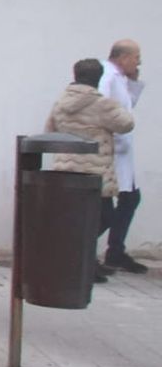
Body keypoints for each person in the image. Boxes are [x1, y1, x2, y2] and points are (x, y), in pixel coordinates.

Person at [46, 58, 134, 284]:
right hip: (93, 171)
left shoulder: (61, 102)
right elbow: (126, 124)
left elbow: (49, 129)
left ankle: (81, 261)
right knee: (104, 217)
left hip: (65, 170)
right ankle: (74, 255)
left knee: (77, 218)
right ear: (97, 78)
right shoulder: (102, 104)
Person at [99, 39, 146, 273]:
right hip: (112, 152)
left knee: (130, 199)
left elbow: (127, 106)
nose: (139, 62)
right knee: (105, 209)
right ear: (123, 57)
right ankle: (80, 248)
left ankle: (115, 251)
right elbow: (101, 107)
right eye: (136, 57)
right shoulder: (106, 75)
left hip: (122, 153)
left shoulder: (120, 78)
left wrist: (134, 81)